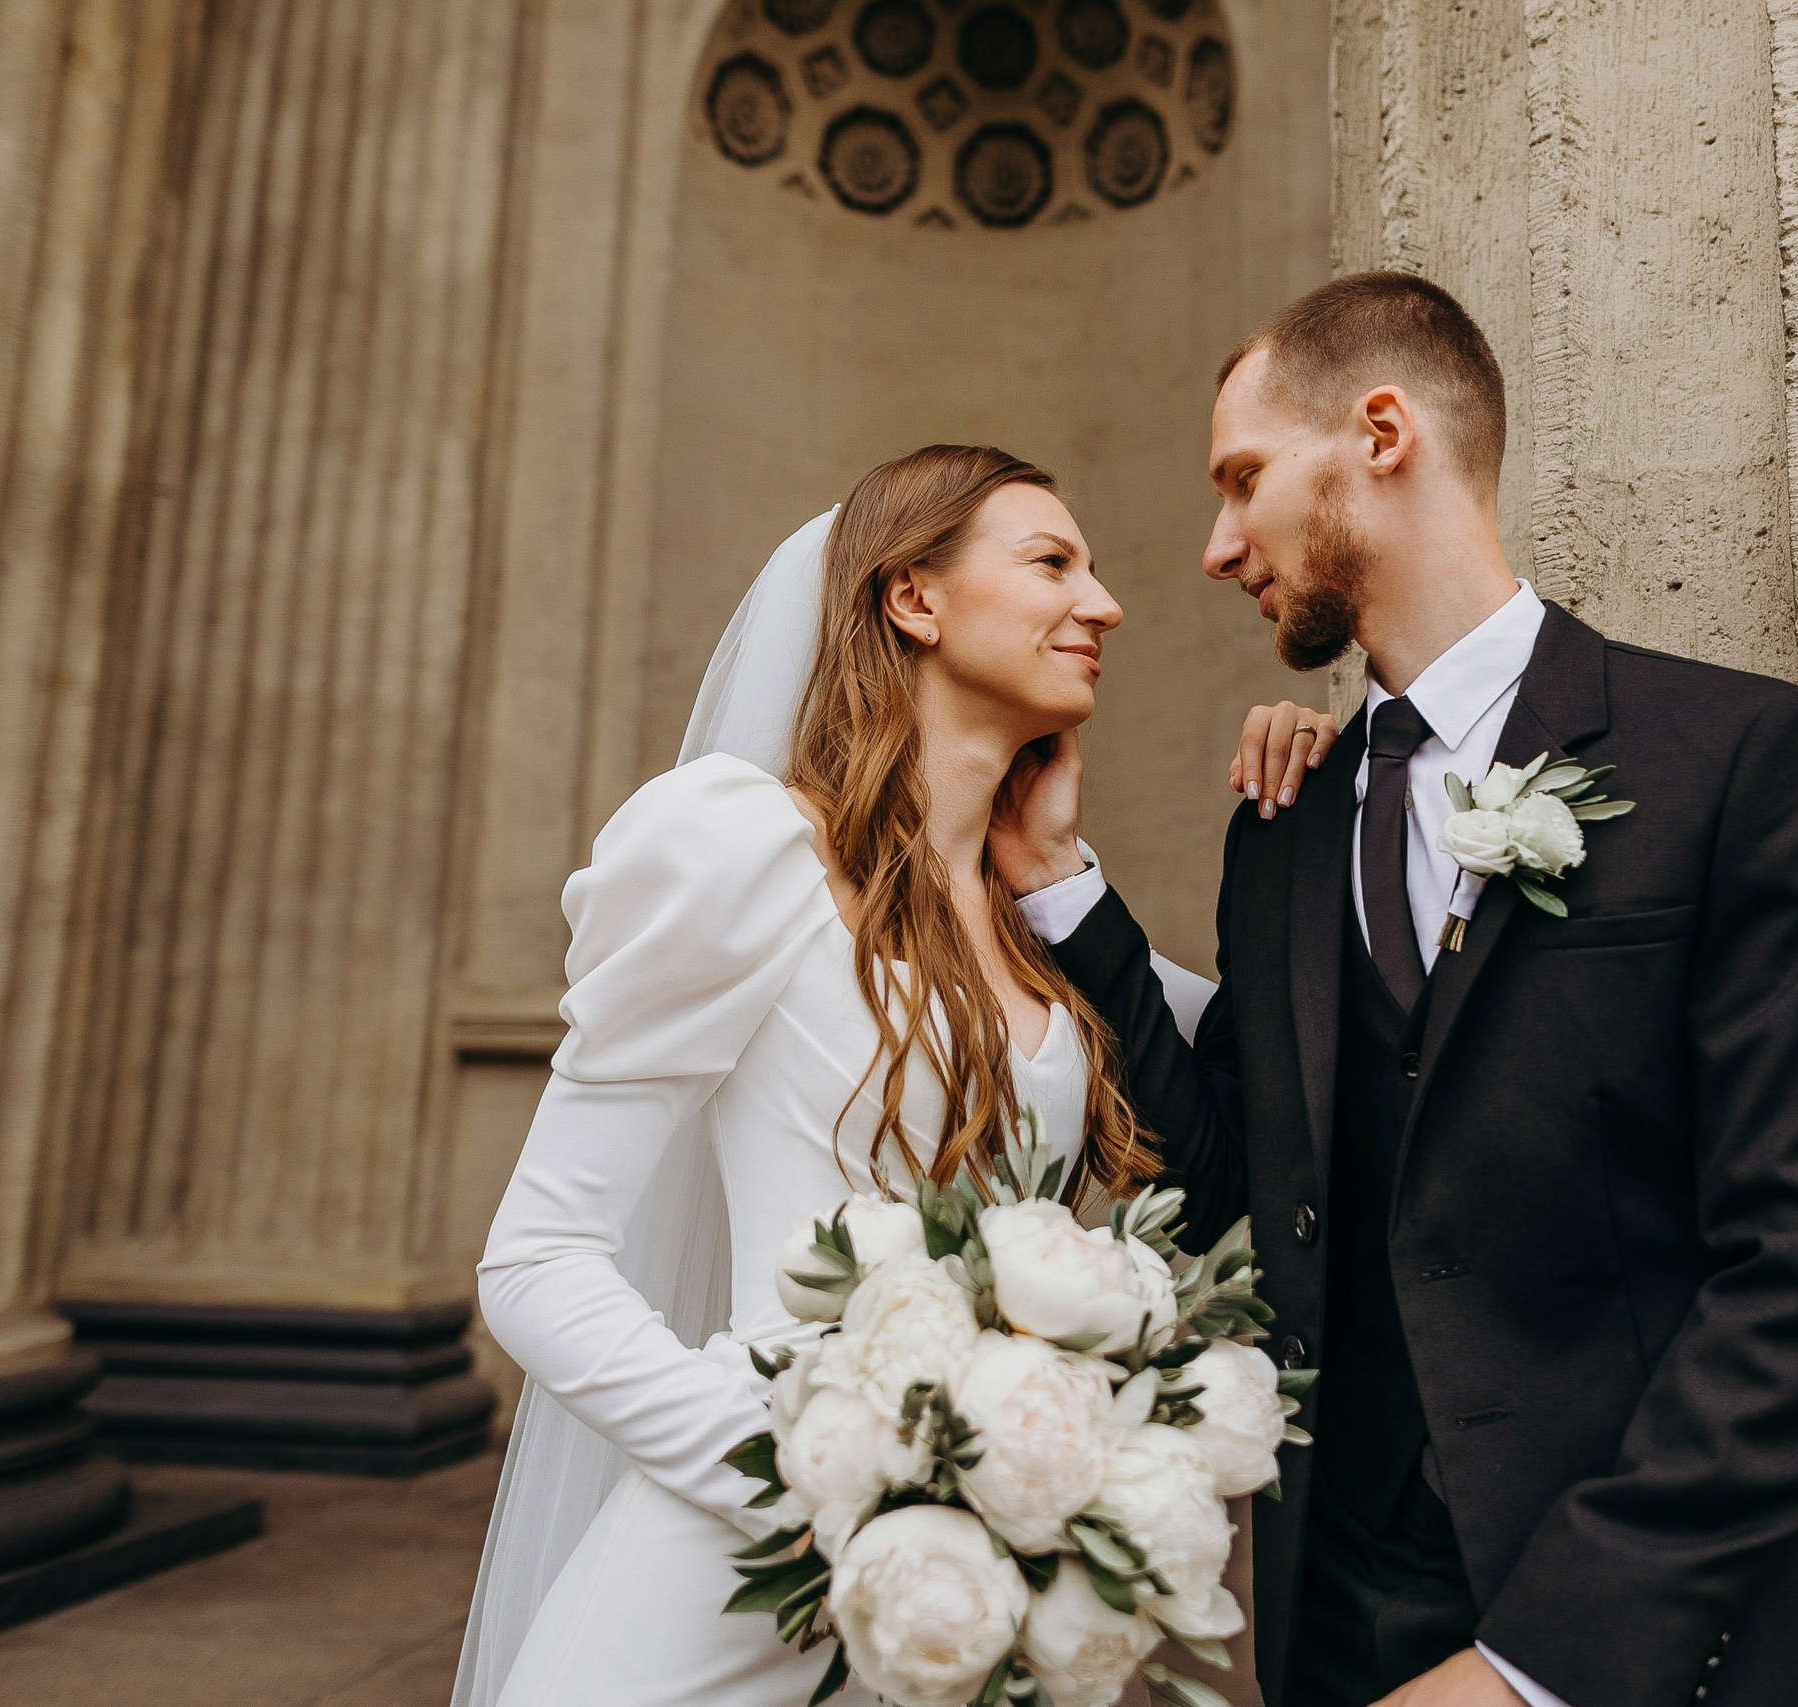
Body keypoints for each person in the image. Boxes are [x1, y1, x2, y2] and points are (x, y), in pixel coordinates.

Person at [989, 273, 1798, 1707]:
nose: (1218, 545)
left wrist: (1545, 1662)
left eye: (1243, 479)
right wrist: (1059, 887)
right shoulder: (1284, 825)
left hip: (1656, 1637)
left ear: (1383, 431)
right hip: (1346, 1619)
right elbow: (1242, 1182)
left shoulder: (1737, 760)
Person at [450, 446, 1330, 1707]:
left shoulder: (1042, 917)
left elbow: (1276, 1084)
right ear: (913, 600)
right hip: (738, 1571)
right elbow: (534, 1262)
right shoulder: (743, 848)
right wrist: (819, 1470)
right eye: (1052, 564)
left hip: (964, 1611)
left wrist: (1338, 809)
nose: (1106, 603)